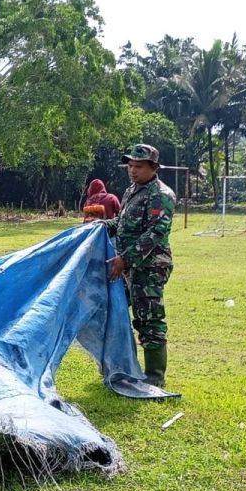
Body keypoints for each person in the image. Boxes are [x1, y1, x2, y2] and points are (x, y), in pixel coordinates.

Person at [103, 144, 176, 388]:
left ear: (153, 168)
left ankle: (155, 378)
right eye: (130, 166)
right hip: (126, 266)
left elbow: (156, 231)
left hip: (150, 266)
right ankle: (122, 366)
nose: (132, 171)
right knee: (114, 312)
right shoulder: (132, 191)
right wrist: (101, 227)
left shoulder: (161, 195)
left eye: (139, 166)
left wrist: (125, 258)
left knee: (149, 319)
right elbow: (122, 222)